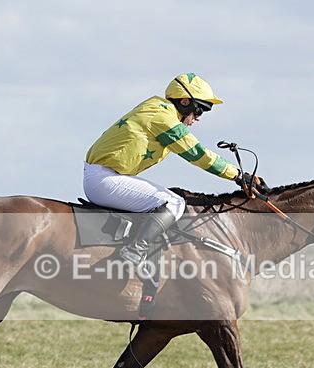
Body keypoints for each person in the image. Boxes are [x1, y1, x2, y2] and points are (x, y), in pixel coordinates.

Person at [84, 73, 240, 270]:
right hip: (105, 180)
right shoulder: (163, 118)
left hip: (105, 176)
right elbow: (197, 154)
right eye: (199, 110)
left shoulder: (157, 107)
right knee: (174, 202)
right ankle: (134, 251)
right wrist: (237, 175)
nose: (198, 118)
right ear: (184, 102)